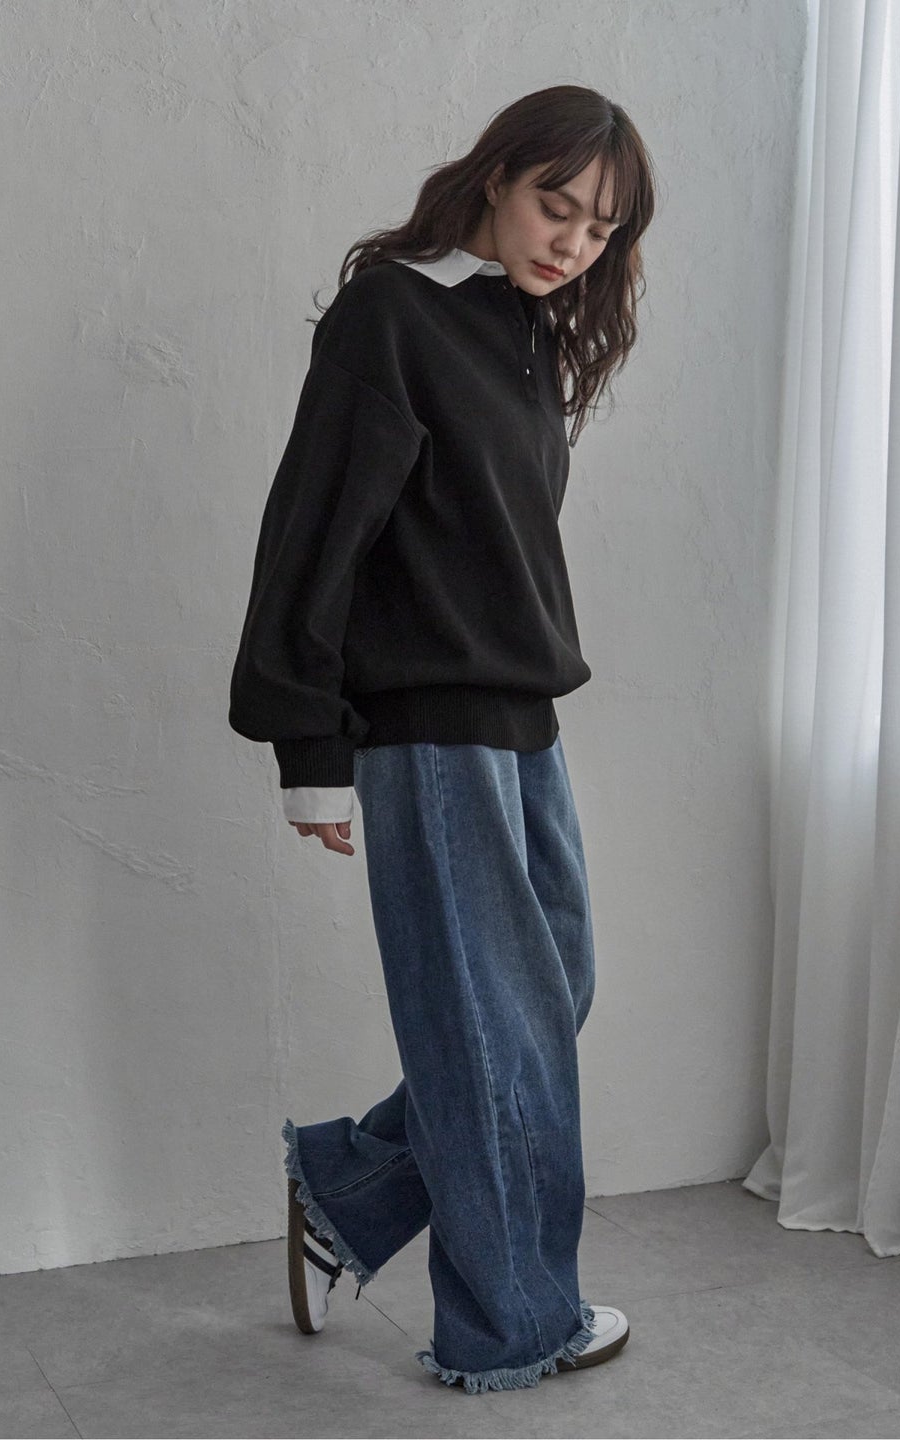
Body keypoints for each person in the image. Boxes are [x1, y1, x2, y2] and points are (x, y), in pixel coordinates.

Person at [228, 84, 657, 1394]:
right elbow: (314, 529)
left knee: (545, 1000)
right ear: (495, 178)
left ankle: (351, 1186)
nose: (572, 243)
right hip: (424, 726)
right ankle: (510, 1322)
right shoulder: (393, 314)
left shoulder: (527, 333)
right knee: (491, 1027)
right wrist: (309, 745)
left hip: (526, 720)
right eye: (555, 205)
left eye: (601, 228)